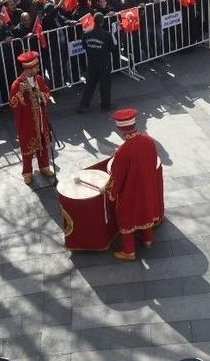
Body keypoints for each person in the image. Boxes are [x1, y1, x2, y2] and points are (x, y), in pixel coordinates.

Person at [104, 108, 161, 261]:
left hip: (131, 191)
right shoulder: (149, 141)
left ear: (120, 129)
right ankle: (147, 239)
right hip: (147, 187)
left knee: (126, 216)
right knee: (145, 210)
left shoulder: (123, 151)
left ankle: (128, 251)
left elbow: (117, 177)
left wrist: (111, 192)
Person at [9, 51, 54, 185]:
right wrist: (20, 94)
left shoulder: (39, 79)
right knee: (27, 147)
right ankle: (27, 172)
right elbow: (12, 103)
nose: (38, 68)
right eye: (36, 67)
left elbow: (47, 92)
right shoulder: (17, 84)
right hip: (26, 122)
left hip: (41, 118)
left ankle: (44, 166)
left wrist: (42, 94)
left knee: (44, 143)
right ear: (29, 68)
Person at [77, 13, 116, 112]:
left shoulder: (86, 33)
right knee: (105, 85)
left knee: (89, 85)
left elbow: (84, 46)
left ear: (93, 21)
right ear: (102, 22)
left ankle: (84, 105)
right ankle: (105, 105)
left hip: (92, 62)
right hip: (104, 63)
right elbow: (112, 48)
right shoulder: (106, 34)